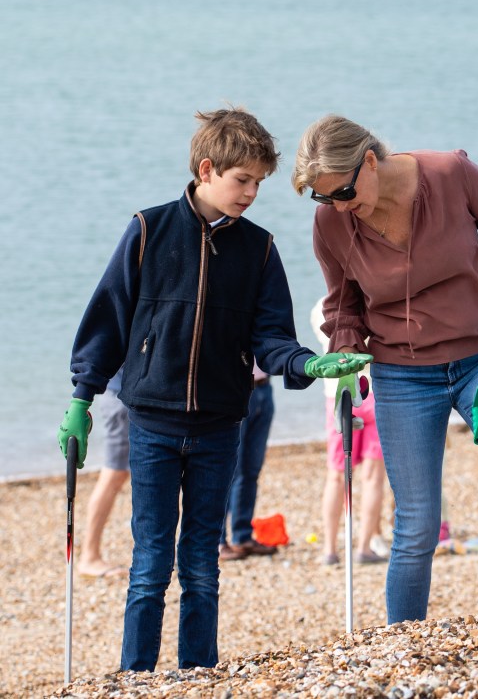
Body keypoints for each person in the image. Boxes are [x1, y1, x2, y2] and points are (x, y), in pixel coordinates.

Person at [57, 107, 371, 672]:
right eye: (242, 180)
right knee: (151, 563)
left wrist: (309, 364)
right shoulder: (148, 230)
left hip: (222, 426)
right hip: (151, 423)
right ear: (207, 169)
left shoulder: (260, 249)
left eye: (259, 183)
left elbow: (272, 337)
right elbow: (108, 317)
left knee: (201, 562)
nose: (251, 193)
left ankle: (197, 673)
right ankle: (137, 675)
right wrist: (83, 397)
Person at [291, 114, 478, 622]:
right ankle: (401, 636)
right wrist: (345, 354)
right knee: (418, 523)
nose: (339, 206)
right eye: (324, 198)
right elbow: (342, 305)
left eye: (343, 191)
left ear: (369, 161)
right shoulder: (332, 223)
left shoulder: (451, 173)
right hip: (403, 373)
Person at [311, 315, 390, 567]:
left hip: (338, 392)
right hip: (373, 389)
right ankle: (363, 548)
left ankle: (330, 549)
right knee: (372, 476)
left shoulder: (321, 308)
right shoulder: (368, 306)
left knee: (336, 475)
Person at [219, 360, 279, 561]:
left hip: (263, 387)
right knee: (227, 471)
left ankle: (242, 536)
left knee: (251, 470)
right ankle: (218, 541)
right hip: (234, 388)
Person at [78, 368, 130, 578]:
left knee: (127, 474)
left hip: (125, 396)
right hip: (121, 399)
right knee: (114, 474)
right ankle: (89, 556)